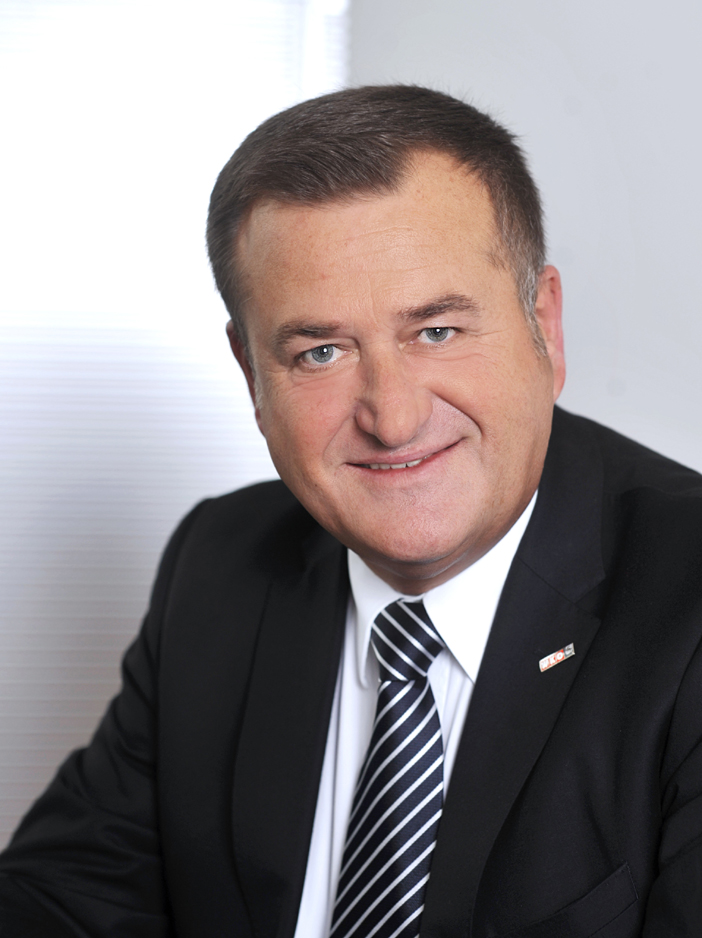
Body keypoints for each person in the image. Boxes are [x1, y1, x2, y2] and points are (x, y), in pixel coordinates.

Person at [1, 85, 701, 938]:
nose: (392, 417)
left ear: (544, 327)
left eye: (437, 331)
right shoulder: (220, 564)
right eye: (321, 351)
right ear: (251, 374)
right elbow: (63, 900)